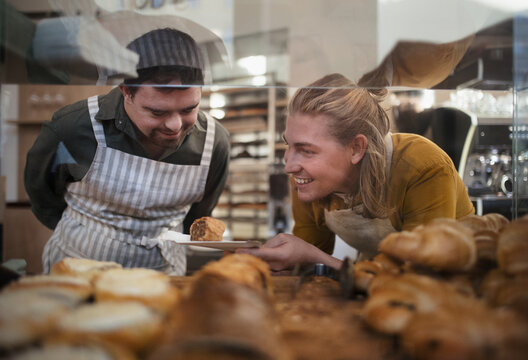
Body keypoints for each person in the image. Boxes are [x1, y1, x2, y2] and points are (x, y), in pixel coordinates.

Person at [24, 28, 230, 275]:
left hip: (163, 275)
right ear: (126, 92)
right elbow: (42, 195)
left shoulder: (213, 142)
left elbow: (199, 216)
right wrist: (89, 231)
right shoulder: (73, 127)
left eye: (189, 109)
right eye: (157, 112)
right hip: (78, 271)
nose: (175, 125)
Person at [238, 73, 474, 271]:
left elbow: (421, 277)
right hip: (372, 284)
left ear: (356, 148)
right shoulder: (307, 179)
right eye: (289, 146)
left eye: (307, 151)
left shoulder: (423, 167)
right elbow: (307, 266)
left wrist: (315, 258)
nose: (289, 166)